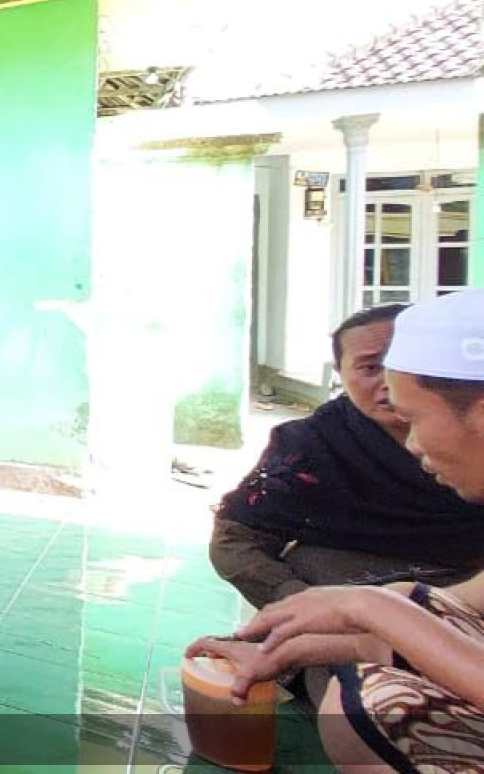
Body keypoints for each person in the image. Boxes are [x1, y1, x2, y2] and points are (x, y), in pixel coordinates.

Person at [188, 288, 484, 774]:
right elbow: (456, 608)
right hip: (376, 584)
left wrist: (365, 605)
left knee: (371, 706)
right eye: (369, 368)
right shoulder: (315, 444)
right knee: (360, 693)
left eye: (414, 420)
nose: (410, 444)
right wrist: (297, 645)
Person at [210, 304, 484, 609]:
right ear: (340, 372)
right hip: (357, 586)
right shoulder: (312, 445)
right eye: (369, 367)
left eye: (401, 365)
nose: (388, 382)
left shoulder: (471, 441)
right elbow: (234, 540)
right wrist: (300, 602)